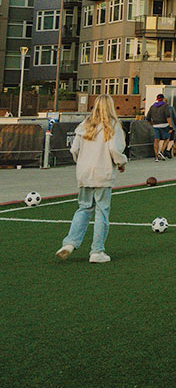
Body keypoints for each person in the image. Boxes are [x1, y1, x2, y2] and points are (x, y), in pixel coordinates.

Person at [56, 95, 126, 263]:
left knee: (84, 208)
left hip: (84, 173)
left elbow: (74, 149)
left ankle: (70, 243)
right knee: (102, 210)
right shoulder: (113, 126)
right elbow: (115, 150)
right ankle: (97, 251)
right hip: (102, 172)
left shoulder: (84, 125)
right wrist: (121, 162)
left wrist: (82, 163)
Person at [146, 92, 172, 161]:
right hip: (164, 125)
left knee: (156, 140)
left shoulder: (152, 106)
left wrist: (152, 124)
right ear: (163, 99)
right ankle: (162, 151)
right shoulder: (165, 106)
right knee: (167, 139)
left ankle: (156, 156)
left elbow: (148, 118)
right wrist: (171, 126)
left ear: (157, 99)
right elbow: (168, 117)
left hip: (155, 125)